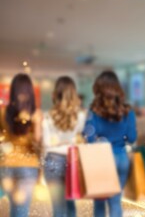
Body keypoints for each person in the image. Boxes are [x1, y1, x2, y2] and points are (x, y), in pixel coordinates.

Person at [83, 70, 137, 217]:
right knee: (115, 202)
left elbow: (88, 136)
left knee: (99, 203)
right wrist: (119, 136)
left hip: (101, 159)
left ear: (98, 89)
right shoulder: (127, 110)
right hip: (121, 159)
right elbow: (132, 138)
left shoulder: (93, 111)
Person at [42, 76, 86, 217]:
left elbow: (46, 143)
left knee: (58, 208)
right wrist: (69, 142)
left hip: (52, 161)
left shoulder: (47, 116)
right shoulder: (80, 115)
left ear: (55, 93)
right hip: (72, 161)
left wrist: (59, 142)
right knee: (71, 205)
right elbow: (80, 141)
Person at [0, 73, 42, 217]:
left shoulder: (4, 113)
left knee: (14, 209)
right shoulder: (36, 113)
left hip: (7, 165)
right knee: (21, 211)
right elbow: (37, 141)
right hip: (28, 165)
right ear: (30, 91)